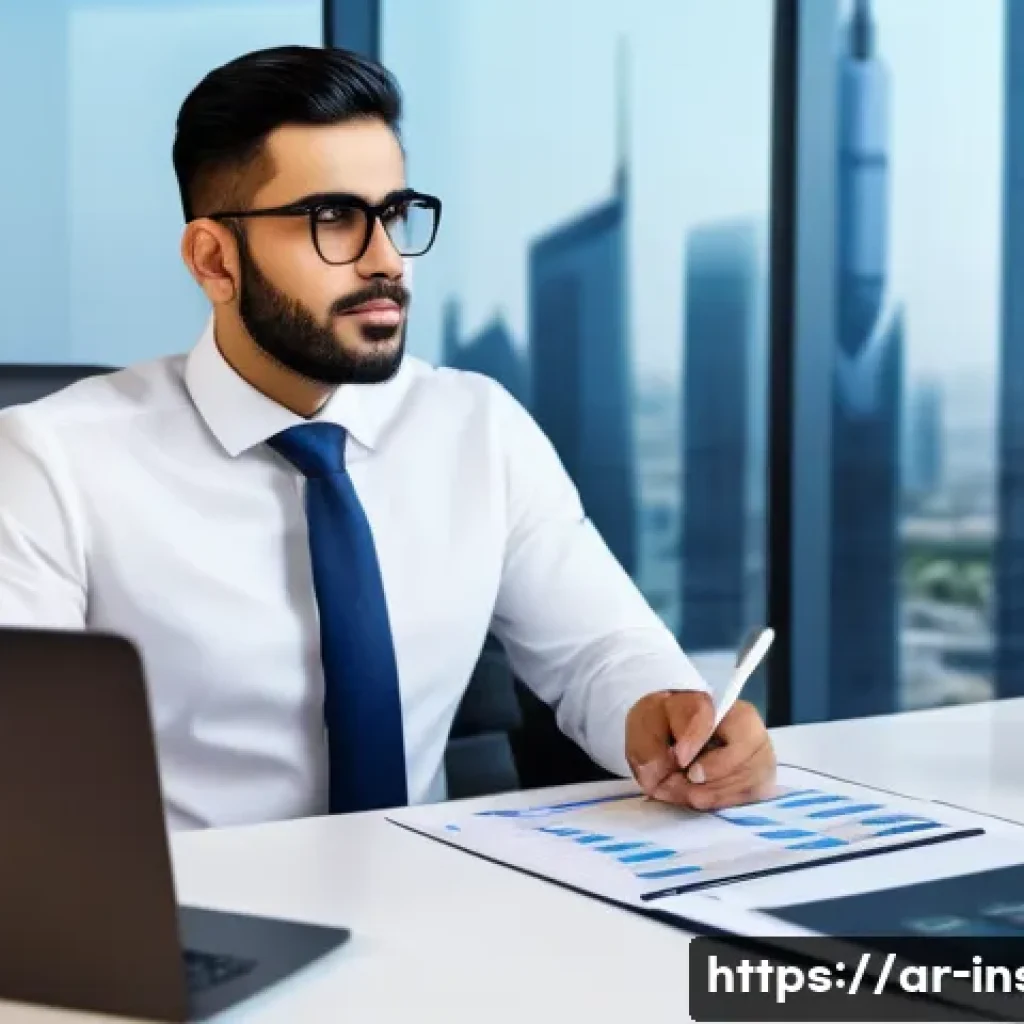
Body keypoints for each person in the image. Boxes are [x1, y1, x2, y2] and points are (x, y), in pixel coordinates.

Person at [0, 45, 775, 830]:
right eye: (331, 218)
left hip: (427, 905)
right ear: (214, 259)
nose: (385, 260)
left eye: (393, 214)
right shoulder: (50, 463)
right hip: (185, 926)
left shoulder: (477, 427)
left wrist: (665, 719)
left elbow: (602, 649)